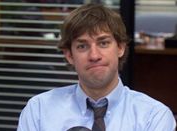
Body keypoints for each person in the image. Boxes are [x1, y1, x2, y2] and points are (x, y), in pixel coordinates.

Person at [17, 4, 176, 131]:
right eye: (82, 46)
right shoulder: (38, 110)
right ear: (69, 56)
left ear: (120, 47)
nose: (94, 55)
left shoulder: (153, 117)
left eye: (103, 43)